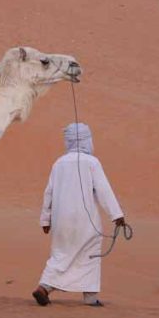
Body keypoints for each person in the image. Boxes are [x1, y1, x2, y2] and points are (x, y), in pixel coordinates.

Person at [33, 122, 125, 307]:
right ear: (87, 140)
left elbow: (48, 192)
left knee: (61, 253)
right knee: (90, 253)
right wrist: (116, 214)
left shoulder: (58, 163)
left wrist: (45, 219)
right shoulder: (92, 162)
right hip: (86, 220)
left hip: (60, 220)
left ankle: (44, 288)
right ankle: (90, 297)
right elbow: (103, 190)